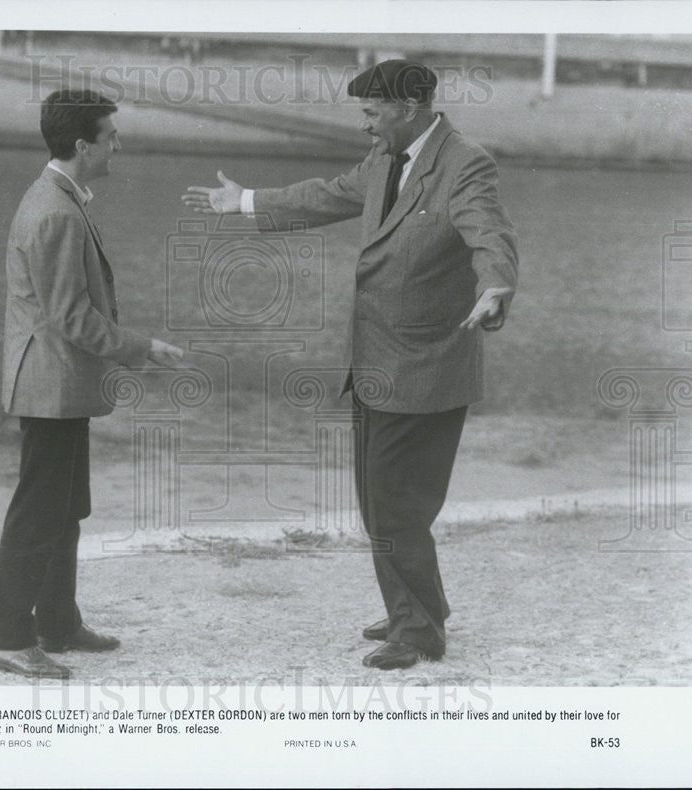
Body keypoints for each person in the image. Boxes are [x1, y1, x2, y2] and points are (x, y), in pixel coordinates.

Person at [182, 60, 518, 670]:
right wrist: (245, 201)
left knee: (395, 506)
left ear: (410, 106)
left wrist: (496, 287)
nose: (364, 124)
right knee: (379, 500)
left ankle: (418, 632)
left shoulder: (465, 163)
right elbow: (330, 194)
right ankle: (415, 608)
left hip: (426, 366)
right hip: (373, 362)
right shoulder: (387, 157)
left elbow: (488, 233)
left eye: (371, 112)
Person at [0, 89, 184, 678]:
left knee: (66, 507)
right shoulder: (54, 210)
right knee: (39, 510)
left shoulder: (62, 198)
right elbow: (70, 317)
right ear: (82, 145)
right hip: (49, 383)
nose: (117, 145)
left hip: (59, 381)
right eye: (111, 136)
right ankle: (10, 639)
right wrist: (142, 349)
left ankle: (58, 623)